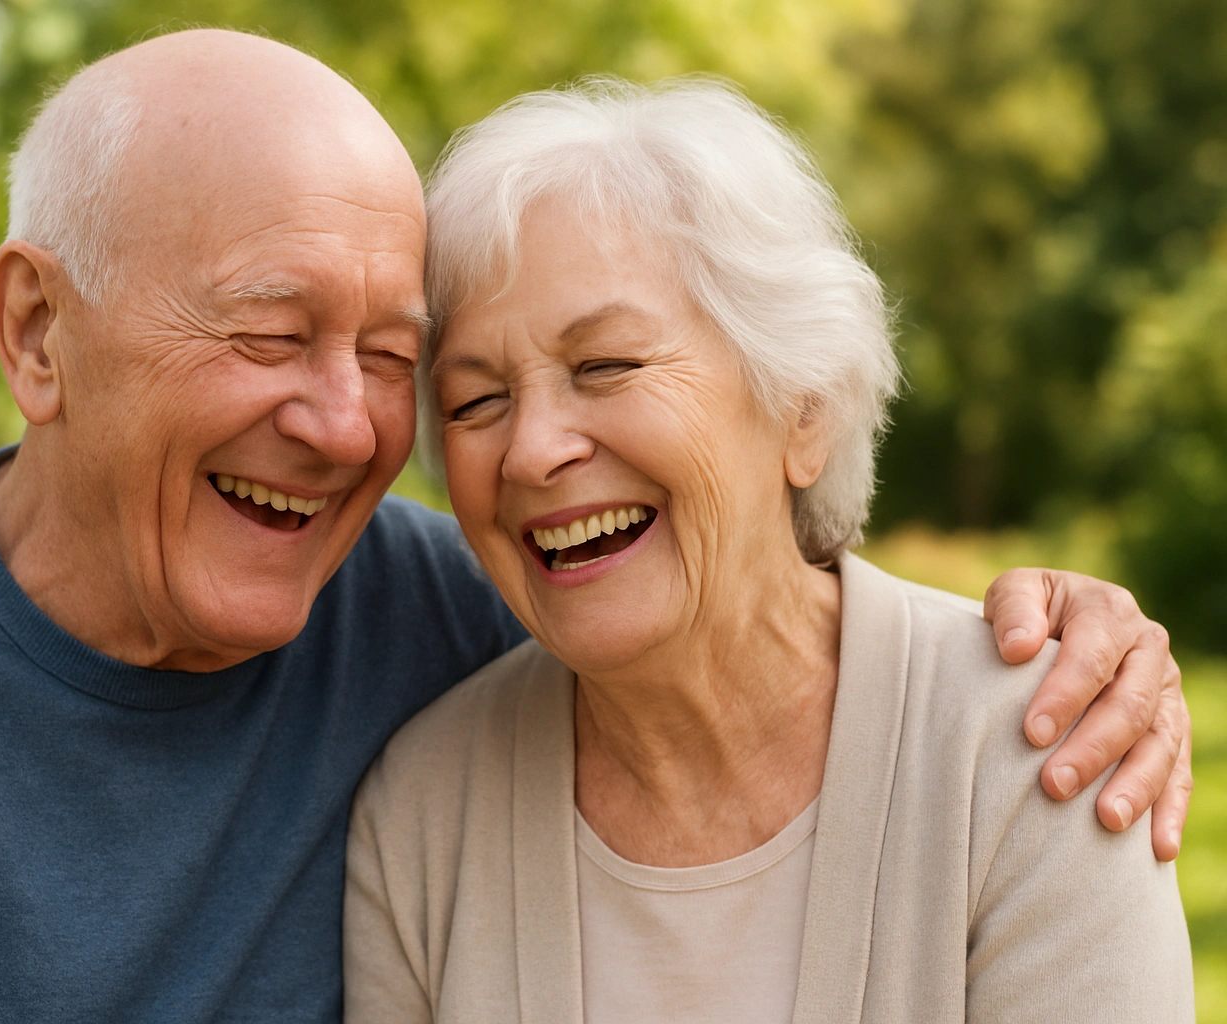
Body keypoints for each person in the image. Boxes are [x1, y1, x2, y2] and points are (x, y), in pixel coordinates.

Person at [0, 31, 1188, 1024]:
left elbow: (761, 620)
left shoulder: (1040, 738)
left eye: (395, 361)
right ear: (35, 333)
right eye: (269, 333)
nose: (350, 428)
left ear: (807, 400)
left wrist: (1083, 635)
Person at [343, 79, 1193, 1023]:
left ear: (805, 408)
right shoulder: (422, 815)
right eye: (474, 401)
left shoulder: (1036, 747)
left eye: (607, 366)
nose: (534, 450)